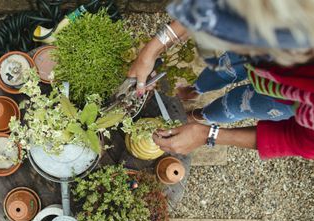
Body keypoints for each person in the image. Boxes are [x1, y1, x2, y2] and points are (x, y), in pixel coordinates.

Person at [128, 0, 314, 159]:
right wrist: (150, 51)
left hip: (286, 100)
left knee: (237, 105)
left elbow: (292, 139)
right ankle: (194, 90)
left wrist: (205, 134)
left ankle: (198, 116)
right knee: (224, 68)